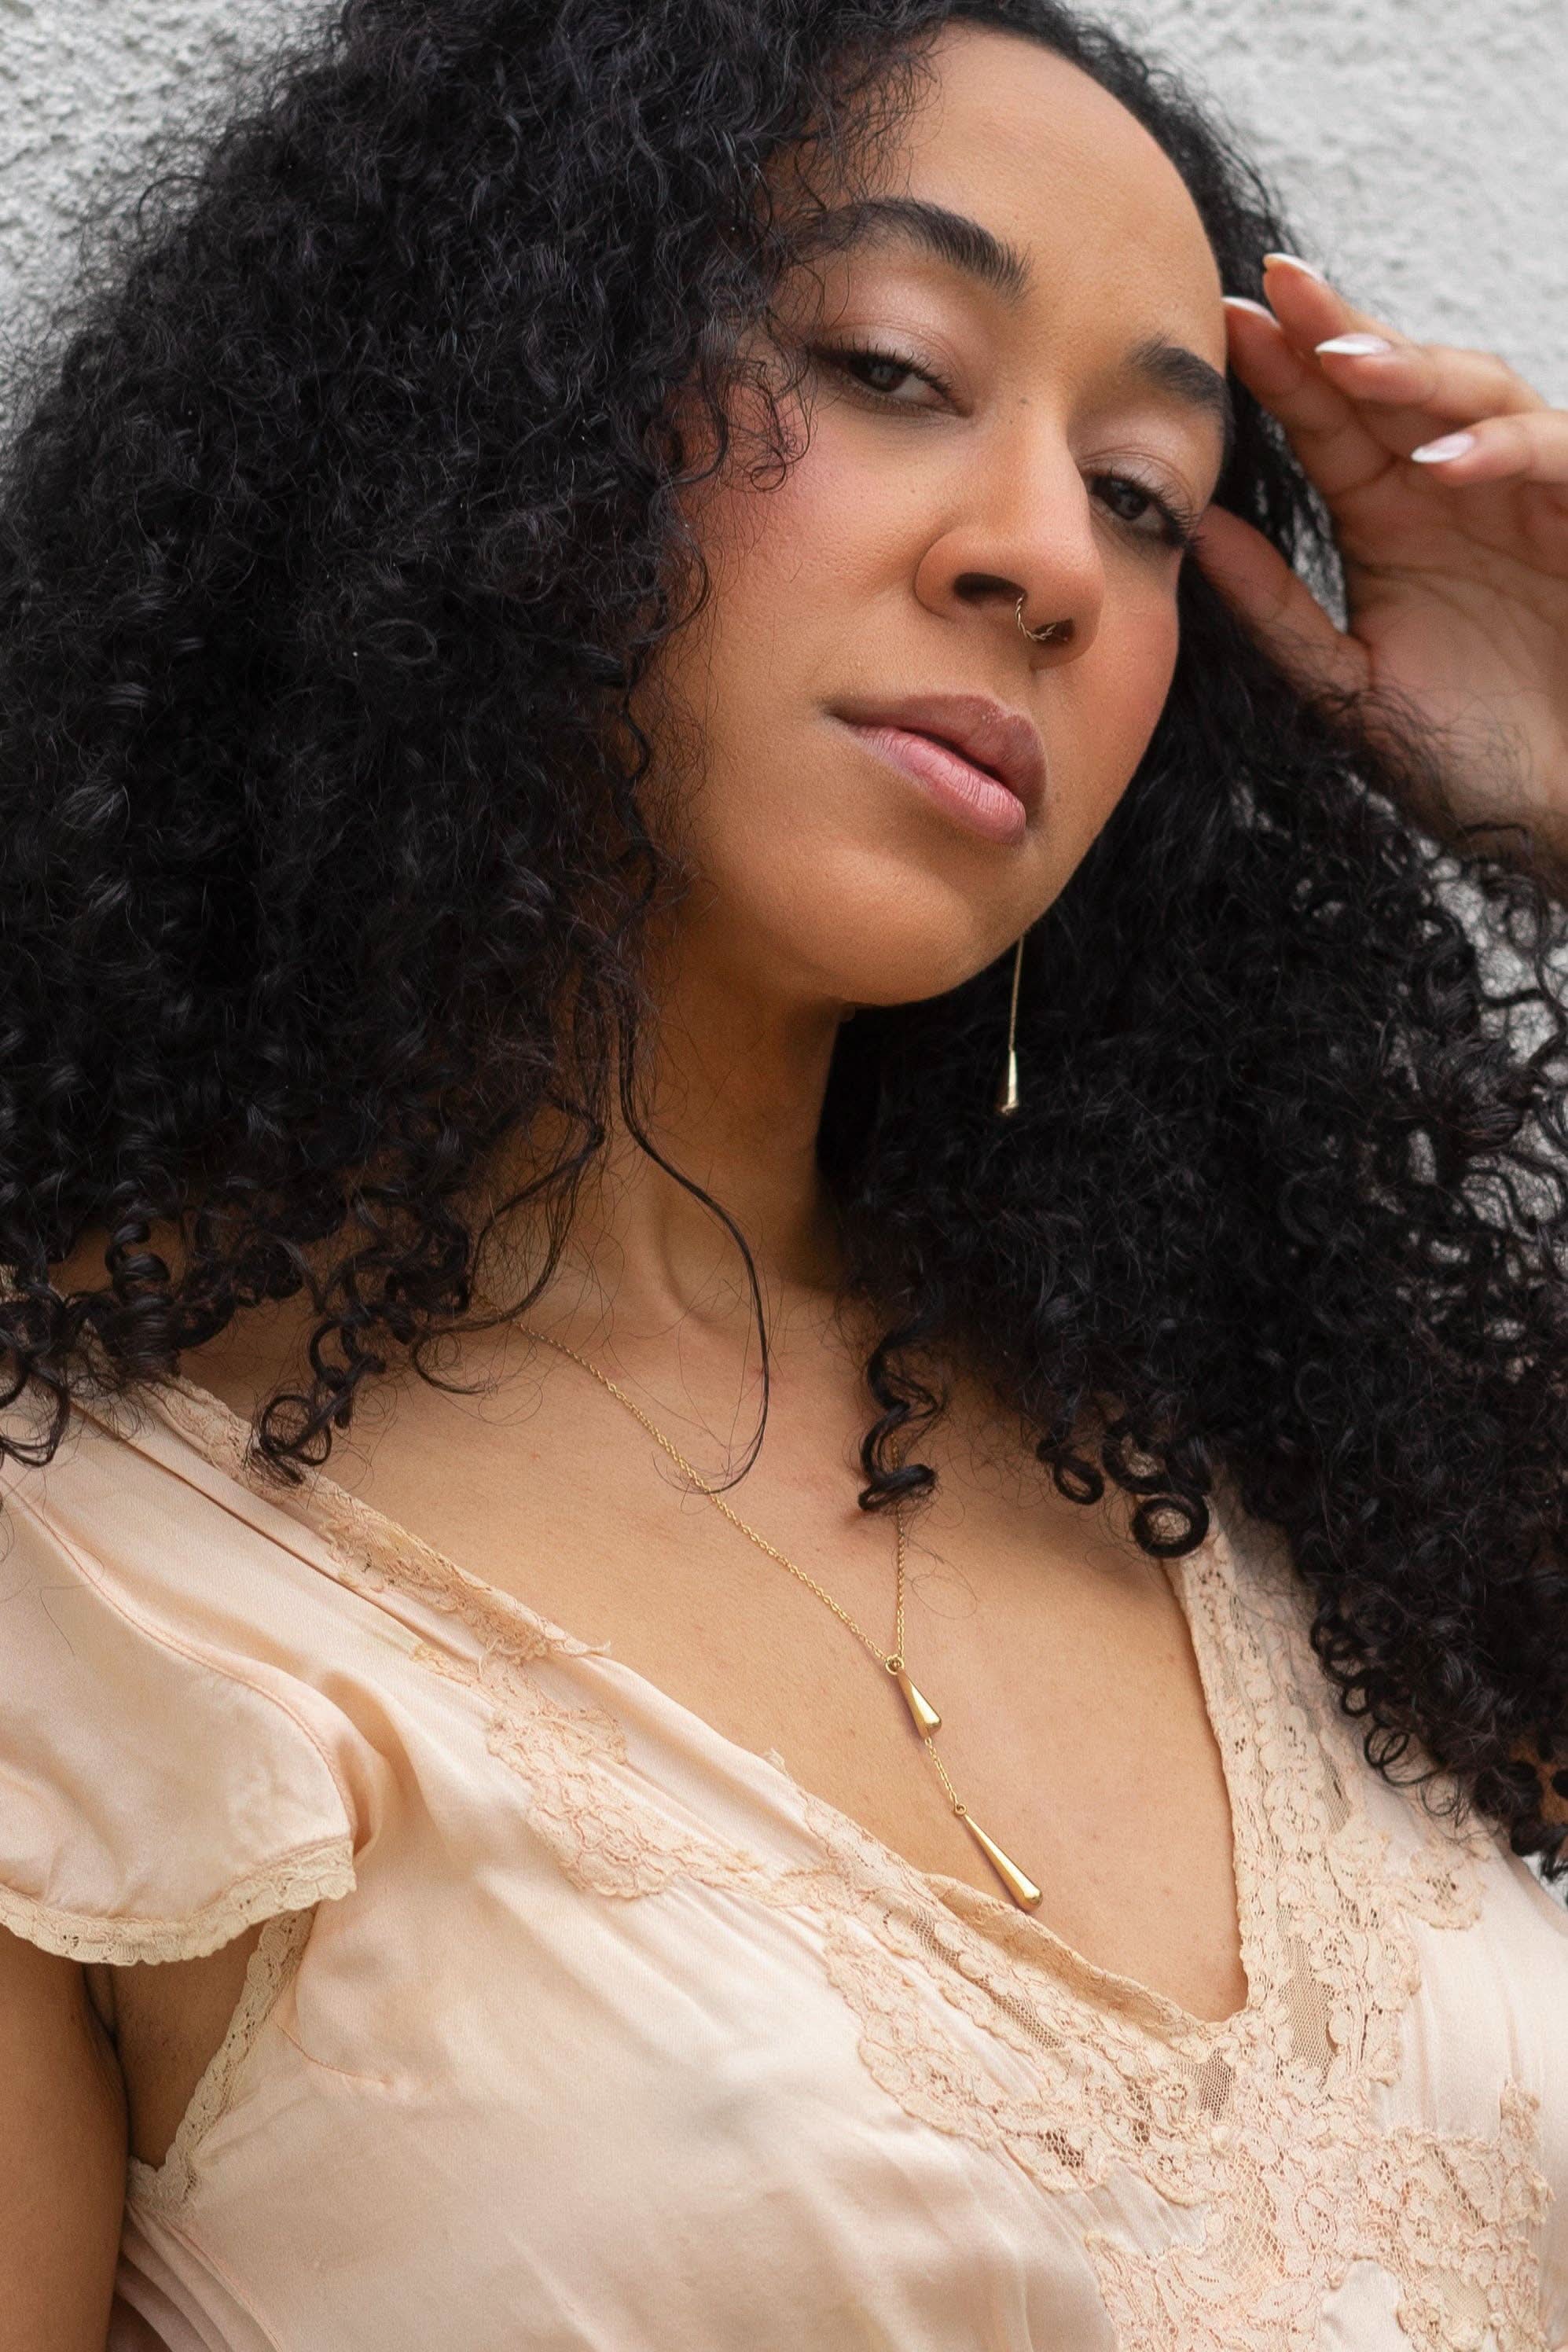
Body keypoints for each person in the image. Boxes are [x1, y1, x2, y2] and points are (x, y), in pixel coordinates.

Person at [2, 0, 1567, 2343]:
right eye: (884, 362)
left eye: (1148, 496)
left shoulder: (1307, 1471)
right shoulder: (81, 1578)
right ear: (484, 411)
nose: (1044, 554)